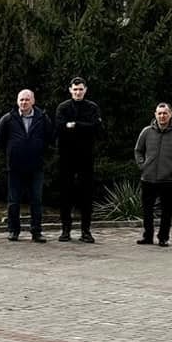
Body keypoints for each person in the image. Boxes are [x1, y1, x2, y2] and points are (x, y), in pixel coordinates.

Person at [0, 88, 52, 242]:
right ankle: (13, 230)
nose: (24, 102)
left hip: (36, 166)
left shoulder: (42, 118)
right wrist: (12, 153)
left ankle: (36, 231)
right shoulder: (7, 119)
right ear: (17, 101)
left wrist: (38, 150)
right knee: (14, 201)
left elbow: (49, 138)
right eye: (21, 99)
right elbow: (0, 140)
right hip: (15, 167)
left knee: (36, 200)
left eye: (27, 99)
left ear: (33, 101)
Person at [52, 76, 103, 243]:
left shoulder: (92, 107)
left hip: (86, 156)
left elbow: (95, 128)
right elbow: (60, 128)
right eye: (75, 90)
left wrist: (75, 125)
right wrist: (80, 127)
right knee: (65, 193)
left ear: (85, 90)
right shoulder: (63, 107)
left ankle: (86, 231)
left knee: (86, 194)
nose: (78, 92)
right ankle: (65, 230)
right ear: (70, 90)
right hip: (66, 156)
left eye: (81, 89)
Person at [134, 102, 172, 247]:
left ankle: (163, 237)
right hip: (148, 177)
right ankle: (147, 236)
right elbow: (138, 150)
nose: (162, 116)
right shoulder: (146, 132)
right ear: (155, 114)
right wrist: (142, 165)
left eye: (165, 113)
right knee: (147, 209)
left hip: (167, 179)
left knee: (166, 210)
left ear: (170, 114)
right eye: (159, 113)